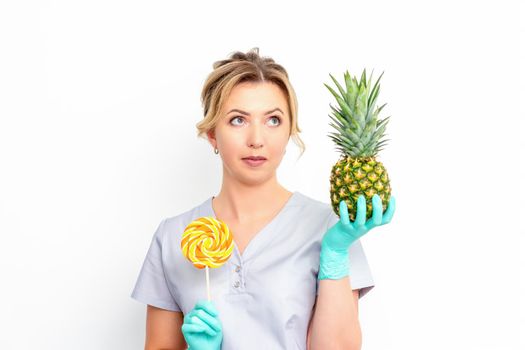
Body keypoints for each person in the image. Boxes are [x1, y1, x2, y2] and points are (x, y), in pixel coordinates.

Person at [130, 47, 395, 349]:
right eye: (238, 120)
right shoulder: (173, 236)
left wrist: (335, 253)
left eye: (273, 120)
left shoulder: (332, 228)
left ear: (289, 132)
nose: (257, 139)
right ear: (212, 134)